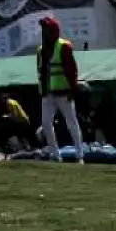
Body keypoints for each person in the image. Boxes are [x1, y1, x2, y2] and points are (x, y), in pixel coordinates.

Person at [36, 16, 83, 164]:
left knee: (72, 124)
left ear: (53, 31)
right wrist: (43, 91)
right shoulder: (40, 50)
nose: (44, 32)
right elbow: (41, 72)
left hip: (64, 93)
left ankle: (80, 155)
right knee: (46, 124)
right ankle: (56, 155)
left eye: (46, 29)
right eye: (43, 29)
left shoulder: (64, 46)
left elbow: (72, 70)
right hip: (48, 94)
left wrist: (72, 90)